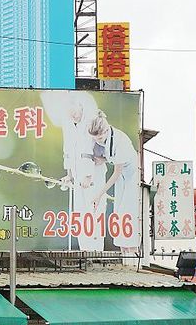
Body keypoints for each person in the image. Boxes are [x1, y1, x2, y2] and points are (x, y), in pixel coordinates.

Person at [42, 92, 105, 251]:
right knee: (80, 213)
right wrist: (69, 174)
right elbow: (68, 149)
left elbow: (92, 149)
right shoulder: (67, 122)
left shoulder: (91, 119)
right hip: (77, 176)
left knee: (94, 212)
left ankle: (96, 251)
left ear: (79, 105)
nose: (74, 116)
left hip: (94, 175)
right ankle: (85, 250)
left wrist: (89, 175)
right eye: (70, 114)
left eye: (75, 112)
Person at [87, 111, 141, 254]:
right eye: (95, 138)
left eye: (99, 138)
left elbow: (116, 173)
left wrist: (99, 195)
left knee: (128, 213)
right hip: (122, 176)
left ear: (106, 130)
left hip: (131, 176)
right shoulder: (103, 139)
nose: (98, 141)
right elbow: (112, 157)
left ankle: (133, 254)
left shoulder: (120, 141)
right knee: (118, 214)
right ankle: (124, 254)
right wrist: (104, 160)